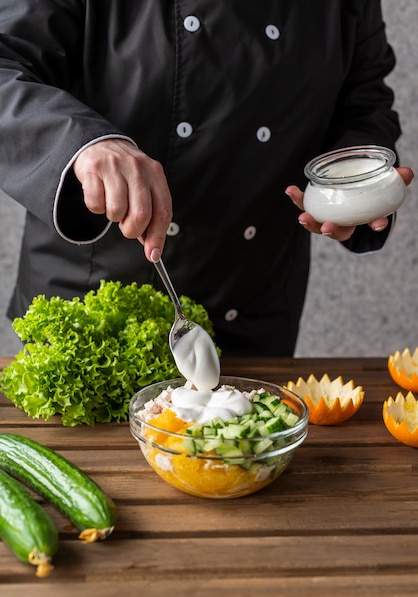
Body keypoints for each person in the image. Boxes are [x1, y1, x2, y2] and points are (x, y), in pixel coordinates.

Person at [0, 1, 414, 357]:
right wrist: (84, 144)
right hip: (93, 302)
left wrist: (359, 185)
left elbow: (364, 100)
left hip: (252, 306)